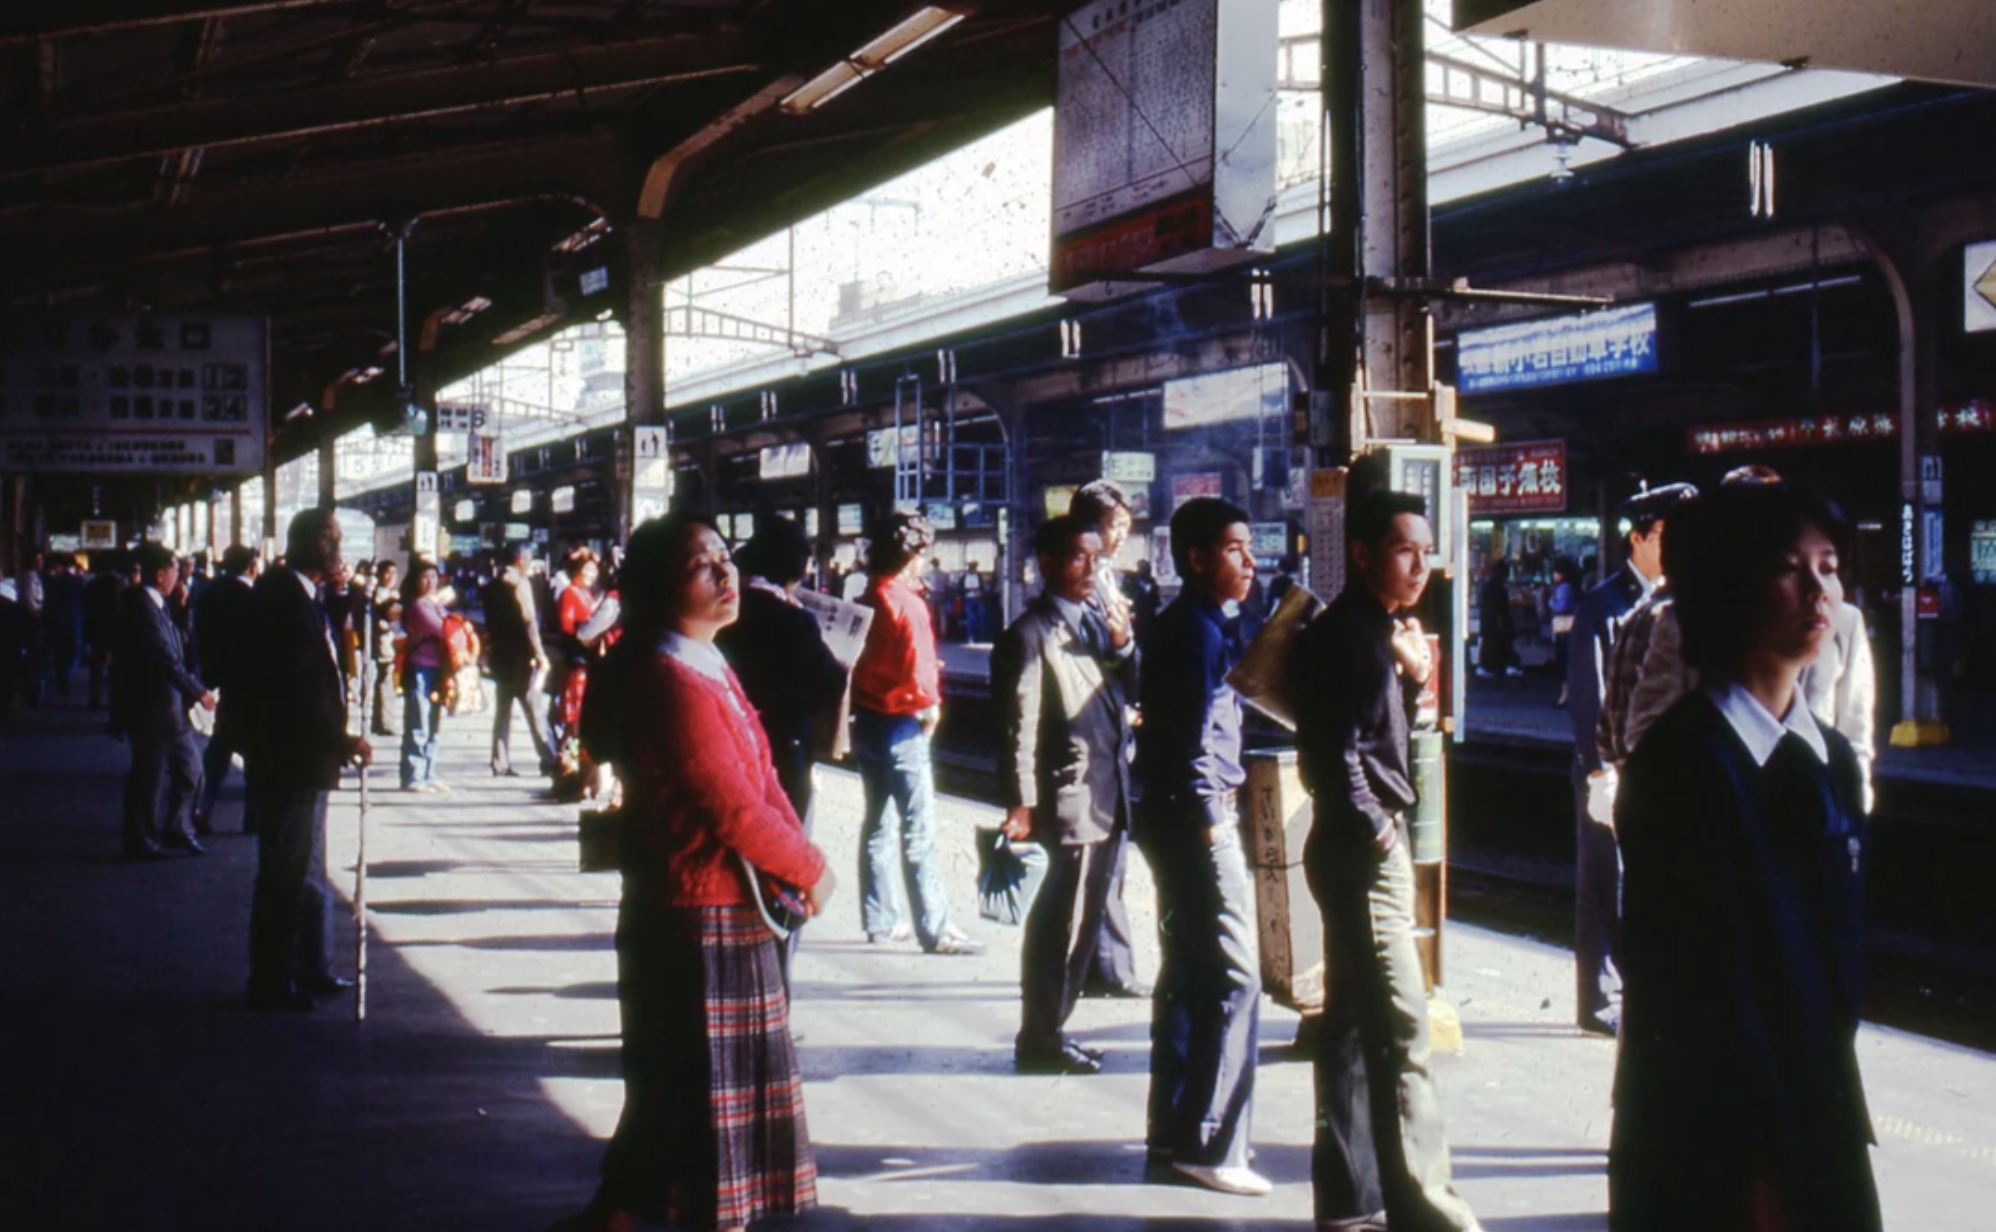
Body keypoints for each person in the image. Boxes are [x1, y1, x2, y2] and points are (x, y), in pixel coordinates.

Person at [549, 514, 833, 1232]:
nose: (725, 574)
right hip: (697, 908)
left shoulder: (700, 661)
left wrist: (799, 860)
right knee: (697, 1088)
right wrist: (809, 867)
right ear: (656, 587)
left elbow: (762, 776)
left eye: (724, 558)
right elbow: (730, 804)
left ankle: (622, 1214)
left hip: (713, 902)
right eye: (702, 564)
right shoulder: (671, 679)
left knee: (678, 1087)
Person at [1611, 482, 1879, 1232]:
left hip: (1820, 1117)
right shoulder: (1679, 766)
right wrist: (1758, 1169)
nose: (1819, 590)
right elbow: (1695, 994)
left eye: (1829, 566)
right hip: (1714, 1150)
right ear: (1730, 586)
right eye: (1789, 567)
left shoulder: (1830, 761)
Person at [1295, 490, 1481, 1232]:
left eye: (1427, 551)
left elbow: (1371, 730)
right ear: (1366, 553)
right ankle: (1429, 1210)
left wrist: (1407, 679)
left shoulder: (1377, 631)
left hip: (1358, 847)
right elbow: (1329, 749)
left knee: (1346, 1024)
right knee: (1402, 1029)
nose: (1422, 567)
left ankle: (1350, 1195)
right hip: (1363, 853)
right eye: (1407, 550)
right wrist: (1374, 822)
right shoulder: (1347, 634)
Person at [1133, 497, 1268, 1197]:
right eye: (1235, 549)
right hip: (1197, 820)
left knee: (1187, 971)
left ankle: (1173, 1129)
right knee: (1235, 974)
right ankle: (1213, 1142)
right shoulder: (1197, 633)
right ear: (1195, 559)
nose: (1250, 561)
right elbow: (1188, 735)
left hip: (1172, 818)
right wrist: (1213, 816)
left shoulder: (1196, 624)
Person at [994, 514, 1138, 1076]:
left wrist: (1124, 644)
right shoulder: (1029, 635)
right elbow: (1018, 728)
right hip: (1068, 801)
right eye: (1079, 557)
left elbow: (1128, 689)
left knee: (1081, 923)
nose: (1091, 569)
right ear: (1047, 564)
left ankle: (1052, 1030)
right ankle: (1040, 1037)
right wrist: (1019, 805)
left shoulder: (1096, 626)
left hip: (1103, 796)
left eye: (1097, 558)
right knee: (1061, 925)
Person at [1566, 482, 1697, 1036]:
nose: (1674, 547)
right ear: (1638, 539)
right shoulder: (1605, 604)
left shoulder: (1678, 601)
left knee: (1636, 880)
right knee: (1603, 881)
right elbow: (1589, 692)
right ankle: (1597, 1000)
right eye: (1666, 535)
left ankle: (1630, 989)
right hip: (1610, 768)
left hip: (1656, 773)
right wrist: (1601, 768)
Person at [238, 509, 371, 1013]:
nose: (340, 549)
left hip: (297, 759)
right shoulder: (285, 601)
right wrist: (342, 741)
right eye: (334, 540)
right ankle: (272, 980)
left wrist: (341, 597)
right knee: (285, 874)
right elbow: (298, 694)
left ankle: (302, 967)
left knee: (302, 870)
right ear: (317, 544)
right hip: (291, 759)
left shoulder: (296, 594)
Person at [850, 510, 983, 956]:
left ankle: (880, 920)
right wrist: (931, 706)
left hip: (866, 722)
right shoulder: (909, 603)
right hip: (902, 727)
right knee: (917, 828)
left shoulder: (868, 596)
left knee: (878, 823)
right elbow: (921, 677)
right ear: (915, 554)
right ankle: (936, 927)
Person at [1068, 478, 1148, 1000]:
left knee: (1107, 858)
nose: (1122, 534)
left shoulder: (1100, 578)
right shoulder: (1090, 583)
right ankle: (1111, 968)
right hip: (1097, 730)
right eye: (1114, 524)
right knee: (1106, 855)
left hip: (1107, 723)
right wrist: (1124, 645)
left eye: (1125, 525)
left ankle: (1103, 965)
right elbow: (1107, 652)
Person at [716, 519, 847, 825]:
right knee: (786, 831)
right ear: (795, 569)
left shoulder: (720, 610)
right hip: (782, 744)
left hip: (726, 740)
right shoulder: (793, 619)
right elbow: (827, 685)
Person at [109, 543, 218, 860]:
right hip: (151, 706)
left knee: (191, 772)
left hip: (169, 708)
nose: (180, 576)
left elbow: (178, 647)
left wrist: (183, 610)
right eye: (175, 570)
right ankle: (140, 841)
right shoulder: (141, 606)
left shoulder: (158, 604)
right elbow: (164, 658)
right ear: (160, 574)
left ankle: (177, 827)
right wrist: (198, 691)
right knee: (148, 778)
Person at [193, 545, 262, 835]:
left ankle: (200, 808)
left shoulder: (210, 594)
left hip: (223, 681)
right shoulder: (254, 598)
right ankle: (254, 819)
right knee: (258, 754)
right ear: (251, 567)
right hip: (253, 683)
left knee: (220, 748)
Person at [484, 542, 558, 777]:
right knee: (534, 708)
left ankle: (500, 761)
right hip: (521, 657)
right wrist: (539, 654)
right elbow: (529, 622)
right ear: (519, 560)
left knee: (503, 711)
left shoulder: (493, 585)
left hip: (500, 656)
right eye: (529, 558)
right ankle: (549, 758)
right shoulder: (520, 584)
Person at [399, 559, 452, 793]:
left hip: (438, 668)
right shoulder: (418, 606)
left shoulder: (435, 604)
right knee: (418, 722)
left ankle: (429, 772)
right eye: (425, 577)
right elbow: (444, 629)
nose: (430, 582)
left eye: (434, 577)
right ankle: (413, 775)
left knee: (434, 723)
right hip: (420, 668)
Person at [81, 554, 126, 709]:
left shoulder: (91, 584)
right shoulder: (120, 584)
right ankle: (115, 701)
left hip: (95, 628)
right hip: (115, 630)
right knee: (116, 669)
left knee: (96, 667)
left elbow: (86, 609)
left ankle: (95, 697)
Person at [42, 553, 85, 699]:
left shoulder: (53, 582)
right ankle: (66, 673)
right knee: (72, 650)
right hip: (74, 619)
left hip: (57, 620)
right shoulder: (78, 582)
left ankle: (61, 672)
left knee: (59, 649)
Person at [367, 560, 402, 737]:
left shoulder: (392, 593)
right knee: (385, 683)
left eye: (394, 573)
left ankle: (380, 721)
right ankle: (384, 721)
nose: (390, 577)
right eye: (387, 573)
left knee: (386, 683)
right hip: (384, 645)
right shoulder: (380, 594)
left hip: (391, 644)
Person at [1474, 558, 1520, 678]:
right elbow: (1500, 606)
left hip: (1488, 620)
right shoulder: (1498, 587)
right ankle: (1505, 665)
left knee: (1490, 644)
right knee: (1500, 643)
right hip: (1496, 620)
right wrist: (1501, 620)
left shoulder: (1489, 585)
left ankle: (1488, 666)